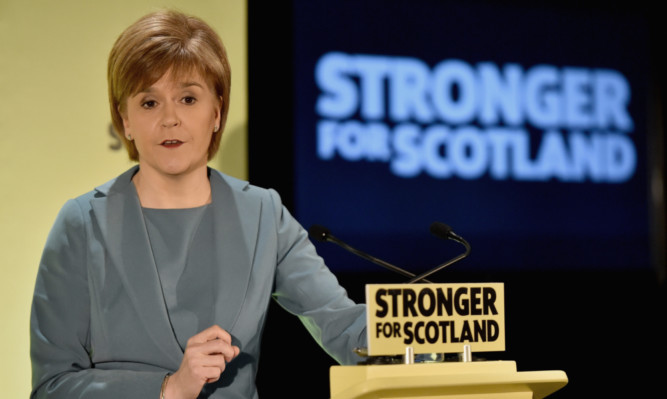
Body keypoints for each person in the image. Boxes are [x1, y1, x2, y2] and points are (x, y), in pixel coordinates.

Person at [30, 9, 367, 399]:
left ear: (217, 112)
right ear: (124, 119)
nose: (170, 119)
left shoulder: (262, 215)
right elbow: (52, 386)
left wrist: (433, 332)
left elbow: (343, 326)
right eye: (149, 103)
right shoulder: (83, 223)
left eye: (188, 98)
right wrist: (168, 389)